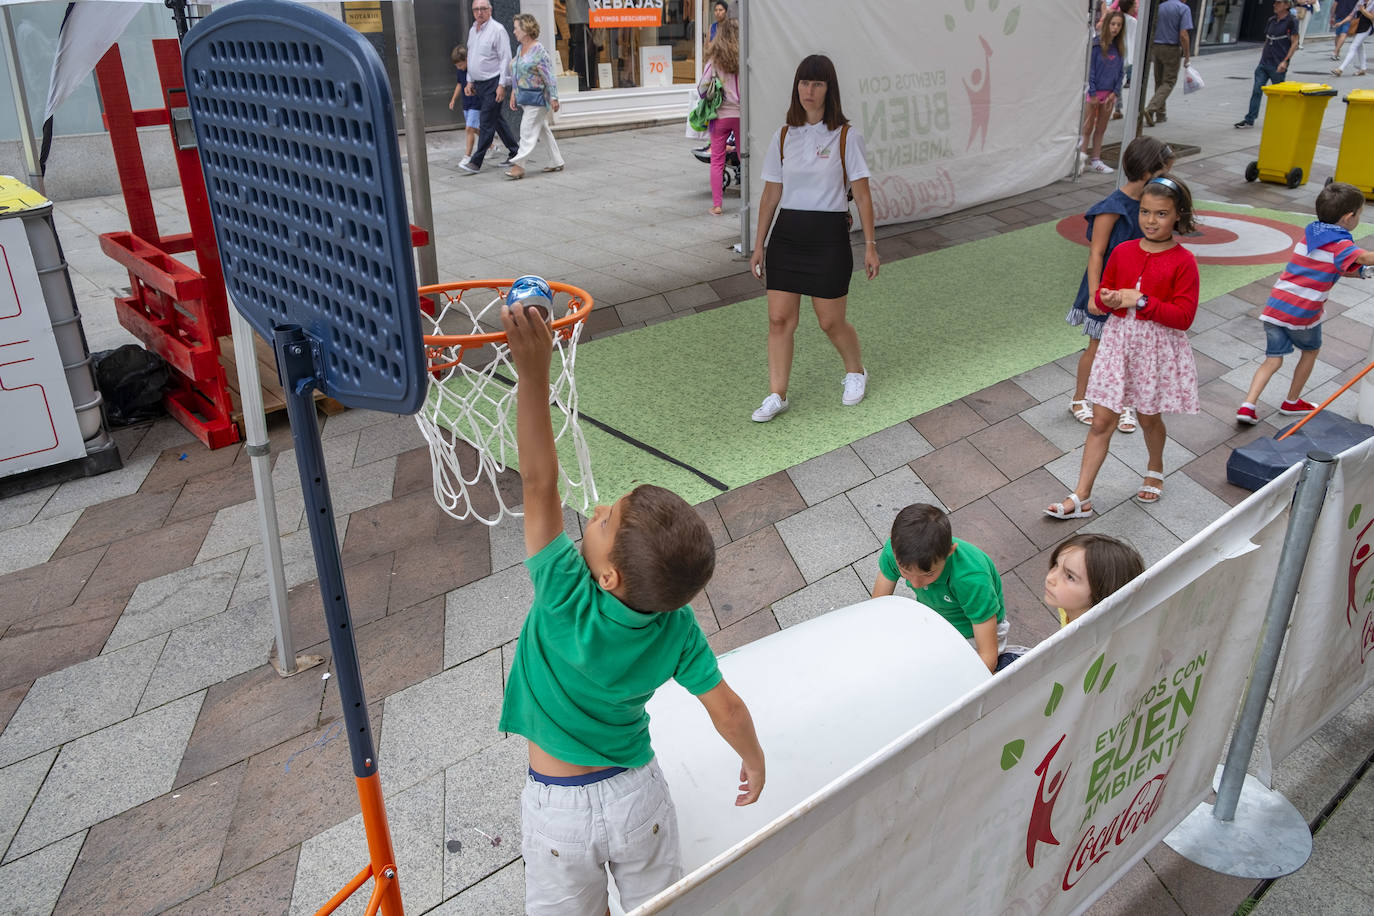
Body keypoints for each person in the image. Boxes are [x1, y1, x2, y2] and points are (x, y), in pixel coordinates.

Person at [497, 300, 766, 915]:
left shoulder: (563, 589)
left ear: (609, 574)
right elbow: (726, 708)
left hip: (557, 809)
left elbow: (539, 484)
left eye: (604, 519)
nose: (593, 513)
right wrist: (753, 761)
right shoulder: (676, 625)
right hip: (637, 797)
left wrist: (532, 377)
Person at [1047, 175, 1201, 519]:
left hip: (1155, 348)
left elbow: (1184, 316)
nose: (1150, 220)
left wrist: (1141, 300)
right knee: (1102, 421)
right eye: (1145, 212)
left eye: (1161, 214)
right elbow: (1107, 295)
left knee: (1148, 419)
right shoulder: (1123, 251)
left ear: (1178, 215)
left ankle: (1155, 466)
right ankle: (1081, 496)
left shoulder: (1184, 260)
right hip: (1118, 342)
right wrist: (1109, 298)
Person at [748, 54, 879, 422]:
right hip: (787, 237)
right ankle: (777, 394)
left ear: (829, 89)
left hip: (828, 239)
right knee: (779, 320)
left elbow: (863, 195)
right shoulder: (784, 135)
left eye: (817, 83)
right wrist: (758, 244)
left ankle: (855, 370)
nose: (809, 90)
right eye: (804, 82)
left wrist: (870, 246)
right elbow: (771, 195)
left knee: (830, 321)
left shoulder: (847, 136)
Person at [1065, 137, 1176, 436]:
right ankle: (1079, 398)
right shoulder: (1112, 207)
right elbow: (1096, 252)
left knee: (1129, 349)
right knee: (1097, 345)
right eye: (1164, 171)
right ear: (1148, 171)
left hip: (1136, 291)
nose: (1167, 178)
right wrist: (1094, 294)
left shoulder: (1150, 205)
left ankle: (1124, 401)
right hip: (1108, 290)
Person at [1238, 182, 1374, 424]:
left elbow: (1334, 266)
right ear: (1349, 217)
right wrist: (1364, 265)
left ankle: (1248, 405)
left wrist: (1361, 272)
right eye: (1360, 214)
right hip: (1302, 313)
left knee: (1272, 359)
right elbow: (1361, 257)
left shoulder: (1312, 233)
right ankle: (1292, 401)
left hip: (1275, 307)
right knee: (1310, 351)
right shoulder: (1341, 243)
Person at [872, 503, 1008, 673]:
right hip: (935, 616)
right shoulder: (897, 551)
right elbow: (877, 608)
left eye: (928, 574)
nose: (915, 584)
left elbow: (987, 655)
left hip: (973, 631)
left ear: (950, 552)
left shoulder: (971, 578)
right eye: (905, 571)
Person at [458, 0, 520, 176]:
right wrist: (469, 81)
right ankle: (515, 151)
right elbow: (471, 57)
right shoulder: (473, 30)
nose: (479, 12)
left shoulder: (498, 30)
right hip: (479, 84)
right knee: (496, 119)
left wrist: (502, 85)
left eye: (483, 9)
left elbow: (505, 58)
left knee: (486, 121)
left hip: (493, 82)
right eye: (476, 9)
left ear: (490, 10)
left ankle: (476, 161)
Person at [504, 14, 564, 180]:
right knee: (542, 130)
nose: (514, 31)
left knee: (527, 130)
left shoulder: (539, 51)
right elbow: (516, 73)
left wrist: (554, 98)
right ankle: (556, 160)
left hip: (538, 99)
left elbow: (549, 77)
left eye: (516, 28)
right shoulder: (520, 48)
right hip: (525, 97)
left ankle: (519, 166)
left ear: (526, 29)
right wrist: (514, 94)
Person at [1044, 534, 1145, 626]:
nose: (1050, 578)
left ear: (1103, 590)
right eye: (1056, 565)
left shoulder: (1090, 641)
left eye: (1070, 577)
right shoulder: (1068, 606)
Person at [1236, 1, 1299, 129]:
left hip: (1278, 64)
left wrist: (1285, 61)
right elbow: (1267, 39)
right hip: (1264, 63)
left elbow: (1295, 43)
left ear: (1286, 5)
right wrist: (1262, 56)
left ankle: (1279, 118)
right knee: (1256, 91)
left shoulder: (1291, 21)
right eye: (1275, 2)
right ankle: (1249, 119)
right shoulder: (1271, 20)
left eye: (1278, 2)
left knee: (1279, 95)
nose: (1274, 4)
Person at [699, 18, 740, 215]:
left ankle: (717, 205)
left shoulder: (713, 62)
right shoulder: (745, 59)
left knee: (717, 160)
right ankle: (753, 198)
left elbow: (701, 89)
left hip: (720, 115)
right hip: (742, 116)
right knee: (746, 158)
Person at [1082, 9, 1127, 173]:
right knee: (1087, 128)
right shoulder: (1095, 44)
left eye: (1119, 25)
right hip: (1094, 93)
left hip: (1109, 95)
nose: (1115, 28)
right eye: (1113, 24)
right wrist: (1092, 93)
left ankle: (1096, 160)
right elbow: (1090, 70)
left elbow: (1120, 72)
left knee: (1101, 129)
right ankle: (1080, 159)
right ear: (1107, 25)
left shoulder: (1120, 48)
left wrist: (1115, 93)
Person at [1144, 0, 1193, 126]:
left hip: (1156, 47)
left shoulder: (1160, 7)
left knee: (1159, 81)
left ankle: (1161, 114)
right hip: (1171, 48)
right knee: (1169, 82)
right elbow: (1183, 34)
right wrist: (1187, 55)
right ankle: (1151, 108)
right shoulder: (1183, 8)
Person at [448, 45, 482, 168]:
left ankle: (467, 156)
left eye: (461, 65)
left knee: (469, 129)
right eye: (457, 66)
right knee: (474, 128)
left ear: (467, 59)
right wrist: (453, 99)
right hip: (466, 103)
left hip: (475, 102)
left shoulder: (473, 70)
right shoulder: (460, 71)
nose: (460, 68)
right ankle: (490, 145)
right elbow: (459, 85)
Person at [1332, 0, 1373, 76]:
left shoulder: (1372, 3)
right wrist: (1341, 23)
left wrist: (1363, 11)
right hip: (1358, 26)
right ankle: (1363, 68)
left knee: (1353, 46)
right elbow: (1351, 15)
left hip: (1367, 27)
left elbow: (1372, 17)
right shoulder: (1360, 2)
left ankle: (1341, 69)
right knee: (1360, 47)